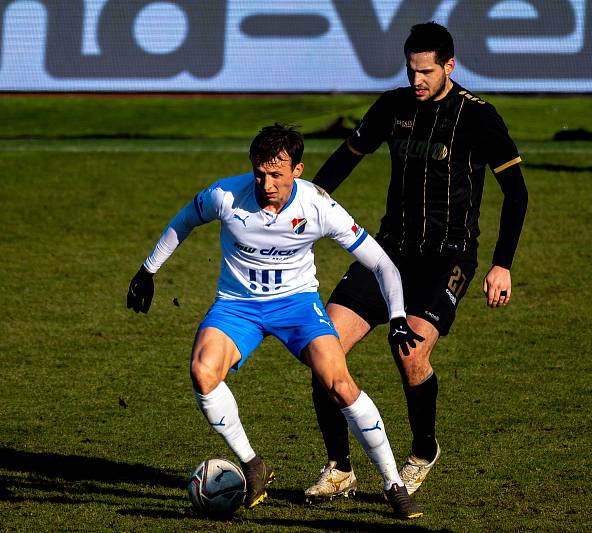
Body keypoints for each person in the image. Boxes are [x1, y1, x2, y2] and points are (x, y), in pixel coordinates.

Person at [126, 124, 425, 519]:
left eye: (277, 174)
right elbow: (184, 219)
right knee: (202, 372)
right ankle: (252, 465)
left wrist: (398, 316)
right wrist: (148, 270)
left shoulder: (319, 206)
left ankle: (393, 484)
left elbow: (382, 262)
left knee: (339, 384)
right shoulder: (225, 195)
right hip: (238, 306)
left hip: (297, 306)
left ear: (297, 170)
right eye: (260, 173)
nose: (266, 183)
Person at [304, 22, 528, 502]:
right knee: (324, 354)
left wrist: (501, 263)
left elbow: (516, 193)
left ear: (450, 66)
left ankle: (423, 452)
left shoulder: (479, 118)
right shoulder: (393, 106)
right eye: (411, 70)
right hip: (387, 250)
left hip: (447, 257)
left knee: (408, 353)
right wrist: (305, 205)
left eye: (426, 71)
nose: (417, 80)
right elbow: (347, 158)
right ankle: (340, 468)